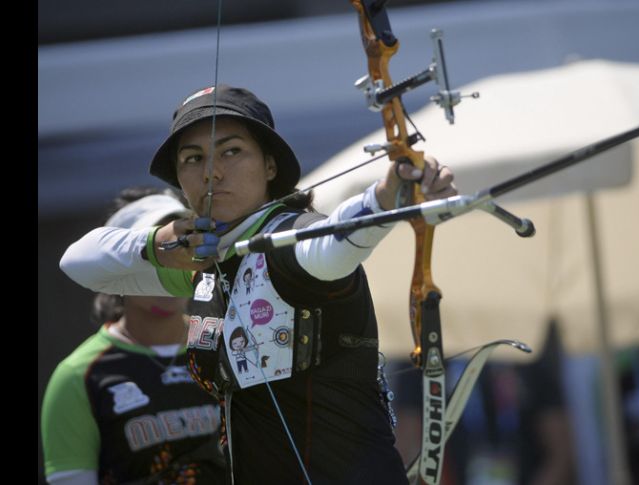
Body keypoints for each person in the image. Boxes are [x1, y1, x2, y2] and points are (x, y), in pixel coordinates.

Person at [60, 84, 457, 484]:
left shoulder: (293, 242)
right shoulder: (205, 265)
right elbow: (77, 262)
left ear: (270, 166)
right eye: (192, 158)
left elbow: (333, 241)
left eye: (232, 151)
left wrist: (385, 199)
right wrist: (160, 245)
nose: (211, 171)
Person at [43, 187, 230, 485]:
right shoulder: (78, 376)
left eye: (184, 247)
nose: (172, 263)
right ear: (115, 268)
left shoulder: (227, 341)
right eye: (158, 253)